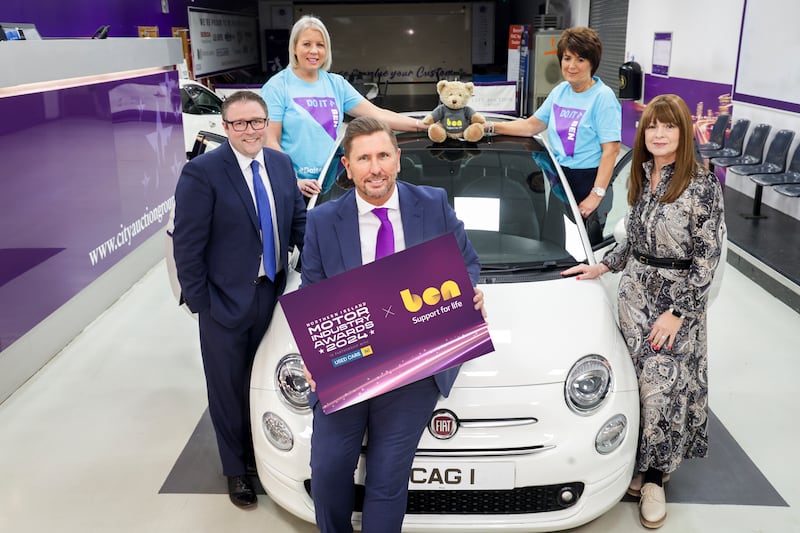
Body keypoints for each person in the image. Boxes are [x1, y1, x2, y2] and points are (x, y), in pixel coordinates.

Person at [300, 116, 486, 533]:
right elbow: (311, 291)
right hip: (348, 363)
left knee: (387, 475)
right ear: (347, 167)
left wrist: (466, 293)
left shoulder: (433, 203)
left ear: (399, 160)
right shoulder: (323, 221)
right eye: (363, 158)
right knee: (329, 470)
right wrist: (314, 356)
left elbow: (467, 263)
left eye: (383, 155)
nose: (376, 167)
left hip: (415, 362)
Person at [561, 94, 726, 529]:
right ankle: (640, 463)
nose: (658, 134)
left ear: (682, 133)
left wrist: (677, 313)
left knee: (662, 384)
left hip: (675, 300)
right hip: (635, 294)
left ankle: (655, 479)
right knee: (639, 385)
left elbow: (707, 259)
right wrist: (603, 264)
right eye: (652, 126)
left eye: (668, 126)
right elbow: (635, 240)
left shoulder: (702, 184)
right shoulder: (645, 175)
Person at [172, 91, 307, 508]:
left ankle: (260, 453)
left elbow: (298, 222)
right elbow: (188, 247)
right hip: (223, 303)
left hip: (271, 293)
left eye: (256, 122)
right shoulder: (203, 173)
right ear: (226, 127)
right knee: (227, 389)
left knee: (261, 380)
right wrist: (202, 304)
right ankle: (236, 470)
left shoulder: (281, 164)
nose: (249, 131)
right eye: (239, 123)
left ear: (267, 123)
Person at [260, 15, 424, 200]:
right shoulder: (277, 86)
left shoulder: (336, 84)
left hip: (327, 186)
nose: (314, 51)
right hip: (292, 189)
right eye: (307, 44)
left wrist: (423, 125)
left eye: (320, 45)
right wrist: (293, 180)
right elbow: (269, 141)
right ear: (294, 48)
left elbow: (377, 114)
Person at [485, 27, 620, 229]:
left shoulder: (603, 97)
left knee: (586, 249)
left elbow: (611, 150)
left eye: (580, 60)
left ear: (592, 63)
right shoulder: (560, 91)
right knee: (557, 237)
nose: (572, 66)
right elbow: (531, 125)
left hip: (589, 180)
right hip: (561, 178)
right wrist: (489, 127)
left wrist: (596, 194)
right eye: (567, 58)